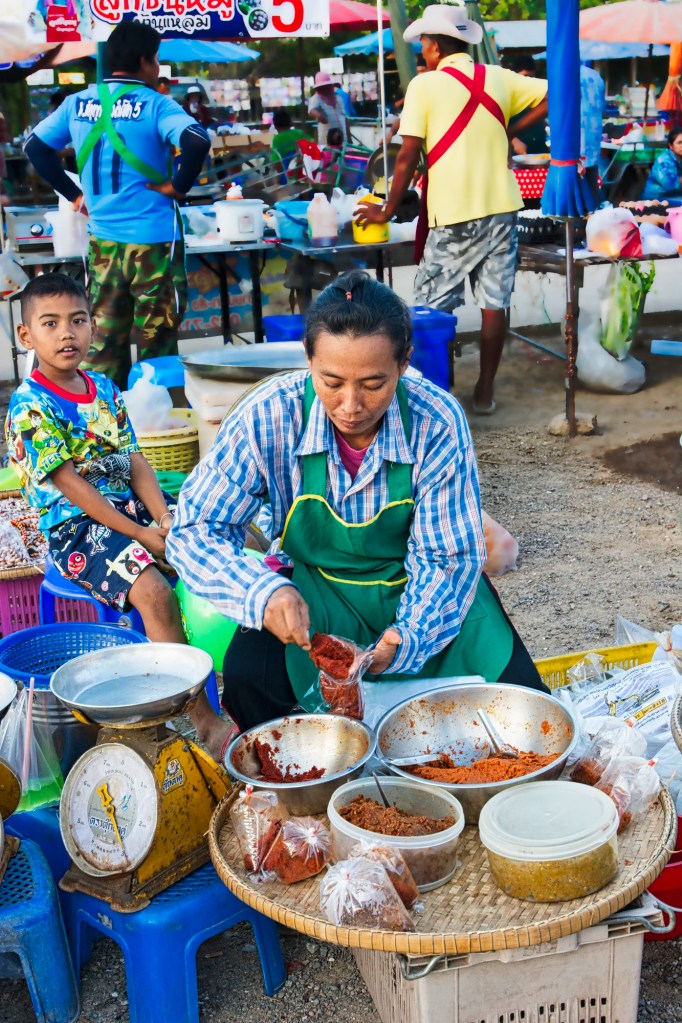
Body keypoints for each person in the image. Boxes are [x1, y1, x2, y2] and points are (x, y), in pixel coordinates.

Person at [166, 272, 545, 732]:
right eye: (331, 381)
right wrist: (263, 592)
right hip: (314, 589)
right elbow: (195, 529)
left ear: (404, 363)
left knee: (521, 713)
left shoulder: (437, 420)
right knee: (250, 680)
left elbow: (445, 557)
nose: (350, 405)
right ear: (308, 359)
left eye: (372, 383)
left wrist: (405, 641)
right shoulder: (268, 415)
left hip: (419, 586)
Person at [4, 274, 231, 760]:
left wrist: (165, 518)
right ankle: (201, 720)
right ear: (26, 337)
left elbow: (135, 462)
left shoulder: (103, 387)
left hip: (128, 514)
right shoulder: (29, 407)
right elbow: (75, 488)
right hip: (77, 530)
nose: (67, 334)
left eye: (78, 321)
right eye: (51, 323)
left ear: (92, 327)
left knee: (228, 540)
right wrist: (145, 537)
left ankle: (226, 679)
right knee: (154, 592)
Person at [356, 5, 548, 416]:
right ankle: (484, 392)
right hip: (502, 208)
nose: (423, 50)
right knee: (494, 303)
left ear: (437, 45)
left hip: (454, 213)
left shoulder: (426, 86)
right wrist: (510, 128)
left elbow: (405, 157)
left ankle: (431, 398)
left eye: (424, 42)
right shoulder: (498, 78)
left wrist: (386, 210)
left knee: (429, 308)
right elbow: (556, 93)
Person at [23, 21, 211, 390]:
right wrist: (178, 185)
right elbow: (196, 140)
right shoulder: (155, 103)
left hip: (102, 245)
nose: (156, 66)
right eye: (155, 58)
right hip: (154, 243)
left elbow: (35, 148)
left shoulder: (78, 103)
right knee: (158, 340)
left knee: (102, 342)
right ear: (145, 61)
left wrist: (74, 195)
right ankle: (159, 427)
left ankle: (107, 426)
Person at [508, 56, 547, 156]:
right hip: (518, 155)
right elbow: (499, 125)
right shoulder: (508, 96)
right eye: (524, 77)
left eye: (532, 77)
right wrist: (514, 140)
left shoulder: (539, 94)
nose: (528, 81)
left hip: (540, 152)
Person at [580, 63, 606, 205]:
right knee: (591, 186)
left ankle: (578, 224)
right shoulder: (595, 76)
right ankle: (594, 220)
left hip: (574, 141)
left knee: (577, 189)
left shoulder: (565, 75)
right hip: (593, 138)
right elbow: (602, 108)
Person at [308, 72, 351, 146]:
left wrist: (349, 137)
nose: (325, 89)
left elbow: (344, 118)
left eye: (327, 86)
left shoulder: (338, 98)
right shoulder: (316, 98)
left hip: (342, 140)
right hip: (326, 141)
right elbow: (312, 110)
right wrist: (319, 115)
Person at [642, 127, 682, 202]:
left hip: (675, 196)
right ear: (671, 146)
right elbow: (668, 185)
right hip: (657, 198)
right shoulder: (663, 161)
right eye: (679, 143)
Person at [270, 108, 307, 173]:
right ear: (290, 123)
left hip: (288, 177)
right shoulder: (301, 133)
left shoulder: (277, 139)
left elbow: (277, 166)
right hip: (307, 172)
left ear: (275, 126)